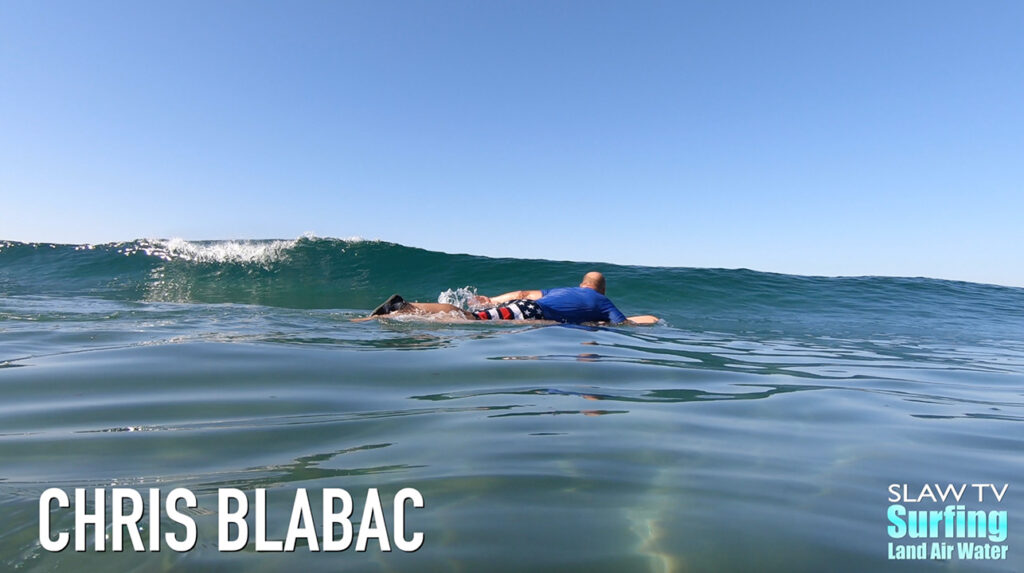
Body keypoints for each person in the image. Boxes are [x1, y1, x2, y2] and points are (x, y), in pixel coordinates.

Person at [364, 271, 659, 325]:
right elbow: (625, 326)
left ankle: (406, 309)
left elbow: (522, 294)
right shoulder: (603, 302)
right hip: (530, 315)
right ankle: (403, 308)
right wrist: (652, 320)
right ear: (602, 290)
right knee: (465, 319)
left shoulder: (560, 291)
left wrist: (492, 299)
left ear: (581, 284)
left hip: (524, 306)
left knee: (472, 317)